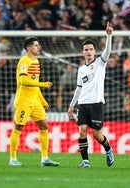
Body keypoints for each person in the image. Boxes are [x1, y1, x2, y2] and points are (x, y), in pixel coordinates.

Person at [67, 22, 114, 168]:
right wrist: (71, 105)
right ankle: (85, 161)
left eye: (91, 49)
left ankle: (108, 149)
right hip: (83, 103)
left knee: (97, 135)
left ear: (94, 51)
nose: (88, 52)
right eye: (86, 50)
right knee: (82, 131)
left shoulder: (101, 63)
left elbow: (108, 51)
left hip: (96, 103)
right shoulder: (80, 70)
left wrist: (109, 36)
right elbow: (79, 88)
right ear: (83, 53)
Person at [8, 37, 60, 167]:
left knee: (44, 126)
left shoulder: (36, 61)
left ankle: (45, 159)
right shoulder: (24, 62)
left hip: (35, 101)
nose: (39, 47)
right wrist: (43, 84)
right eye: (36, 45)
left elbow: (34, 84)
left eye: (38, 45)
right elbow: (24, 81)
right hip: (23, 101)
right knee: (18, 128)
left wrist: (42, 100)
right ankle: (12, 159)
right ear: (29, 48)